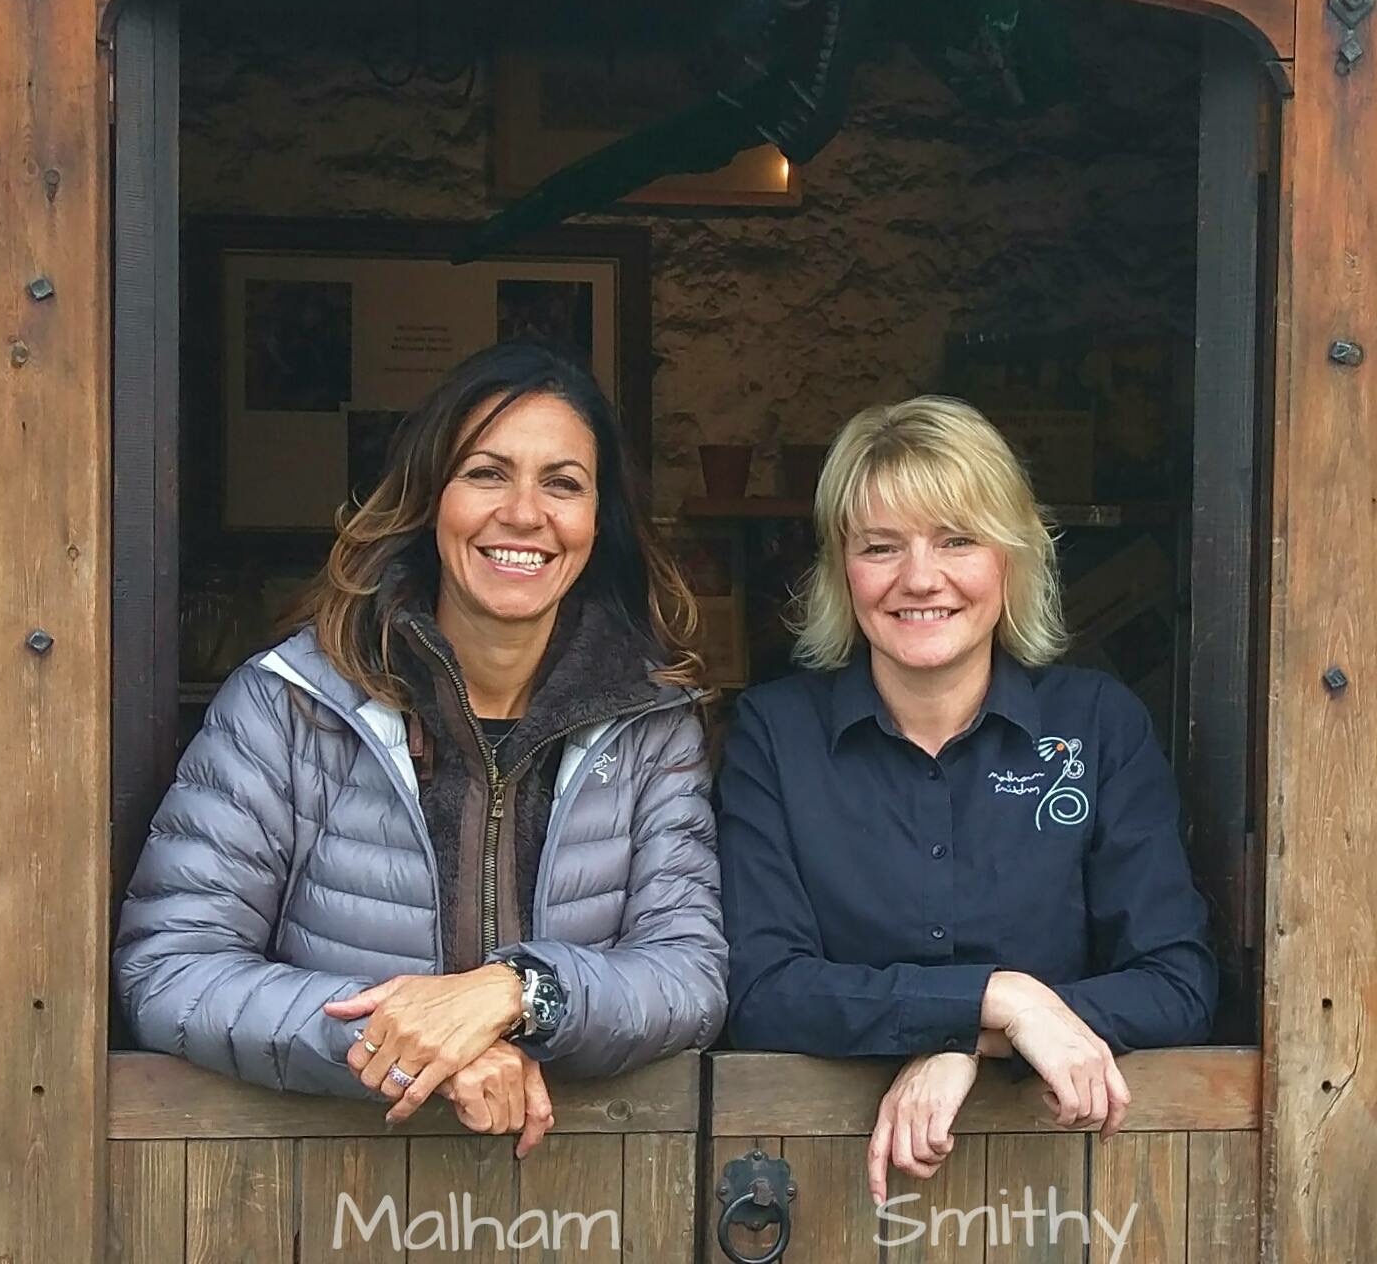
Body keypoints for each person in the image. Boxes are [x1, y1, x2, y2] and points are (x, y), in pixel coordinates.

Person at [114, 342, 727, 1149]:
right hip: (320, 1194)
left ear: (596, 520)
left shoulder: (650, 722)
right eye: (485, 472)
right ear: (430, 497)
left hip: (583, 1195)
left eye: (564, 483)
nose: (524, 512)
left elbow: (689, 976)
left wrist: (518, 992)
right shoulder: (292, 705)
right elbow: (171, 969)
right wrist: (406, 1044)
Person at [715, 395, 1216, 1201]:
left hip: (1076, 1198)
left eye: (957, 540)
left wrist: (968, 1041)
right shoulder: (775, 733)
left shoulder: (1097, 722)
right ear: (842, 572)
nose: (921, 578)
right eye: (881, 547)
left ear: (1011, 559)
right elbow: (763, 993)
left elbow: (1178, 980)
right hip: (819, 1192)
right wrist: (1001, 997)